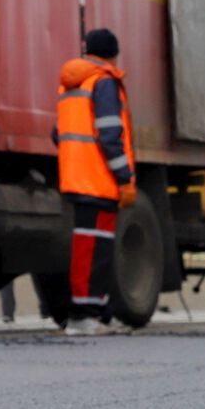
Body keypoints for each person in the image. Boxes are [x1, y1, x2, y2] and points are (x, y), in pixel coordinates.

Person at [54, 27, 136, 336]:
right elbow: (110, 134)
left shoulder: (71, 84)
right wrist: (124, 178)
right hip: (99, 180)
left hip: (77, 177)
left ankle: (98, 311)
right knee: (94, 250)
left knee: (92, 247)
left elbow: (57, 133)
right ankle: (84, 315)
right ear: (113, 54)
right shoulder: (103, 82)